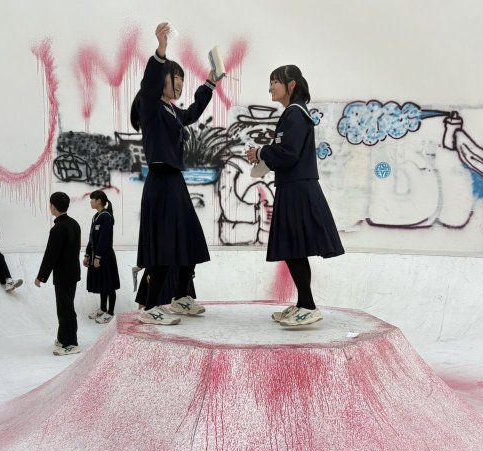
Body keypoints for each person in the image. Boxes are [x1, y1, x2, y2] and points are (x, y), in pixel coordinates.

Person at [130, 22, 223, 325]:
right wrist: (160, 50)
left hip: (176, 182)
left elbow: (194, 112)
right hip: (161, 182)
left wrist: (209, 83)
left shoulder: (172, 111)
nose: (180, 83)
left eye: (183, 79)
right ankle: (151, 307)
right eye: (176, 78)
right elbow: (149, 82)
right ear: (163, 80)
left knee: (190, 239)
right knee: (165, 244)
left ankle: (181, 296)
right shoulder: (150, 107)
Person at [246, 65, 344, 327]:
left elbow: (288, 153)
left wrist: (261, 153)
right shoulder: (294, 113)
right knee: (294, 248)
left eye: (275, 82)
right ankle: (303, 303)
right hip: (293, 187)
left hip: (298, 189)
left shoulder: (295, 114)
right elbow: (287, 153)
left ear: (291, 85)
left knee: (295, 247)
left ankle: (309, 306)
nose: (270, 88)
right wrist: (266, 154)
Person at [35, 192, 82, 356]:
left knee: (65, 309)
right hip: (73, 272)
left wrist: (41, 276)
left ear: (53, 207)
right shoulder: (74, 224)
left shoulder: (57, 229)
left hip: (63, 274)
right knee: (65, 307)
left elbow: (51, 255)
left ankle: (71, 343)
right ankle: (63, 338)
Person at [84, 190, 121, 323]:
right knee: (101, 283)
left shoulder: (106, 217)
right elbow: (91, 238)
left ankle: (110, 312)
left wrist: (98, 257)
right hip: (95, 255)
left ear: (99, 200)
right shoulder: (96, 217)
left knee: (108, 284)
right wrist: (88, 254)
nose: (90, 202)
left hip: (105, 256)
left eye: (92, 199)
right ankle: (102, 309)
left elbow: (104, 239)